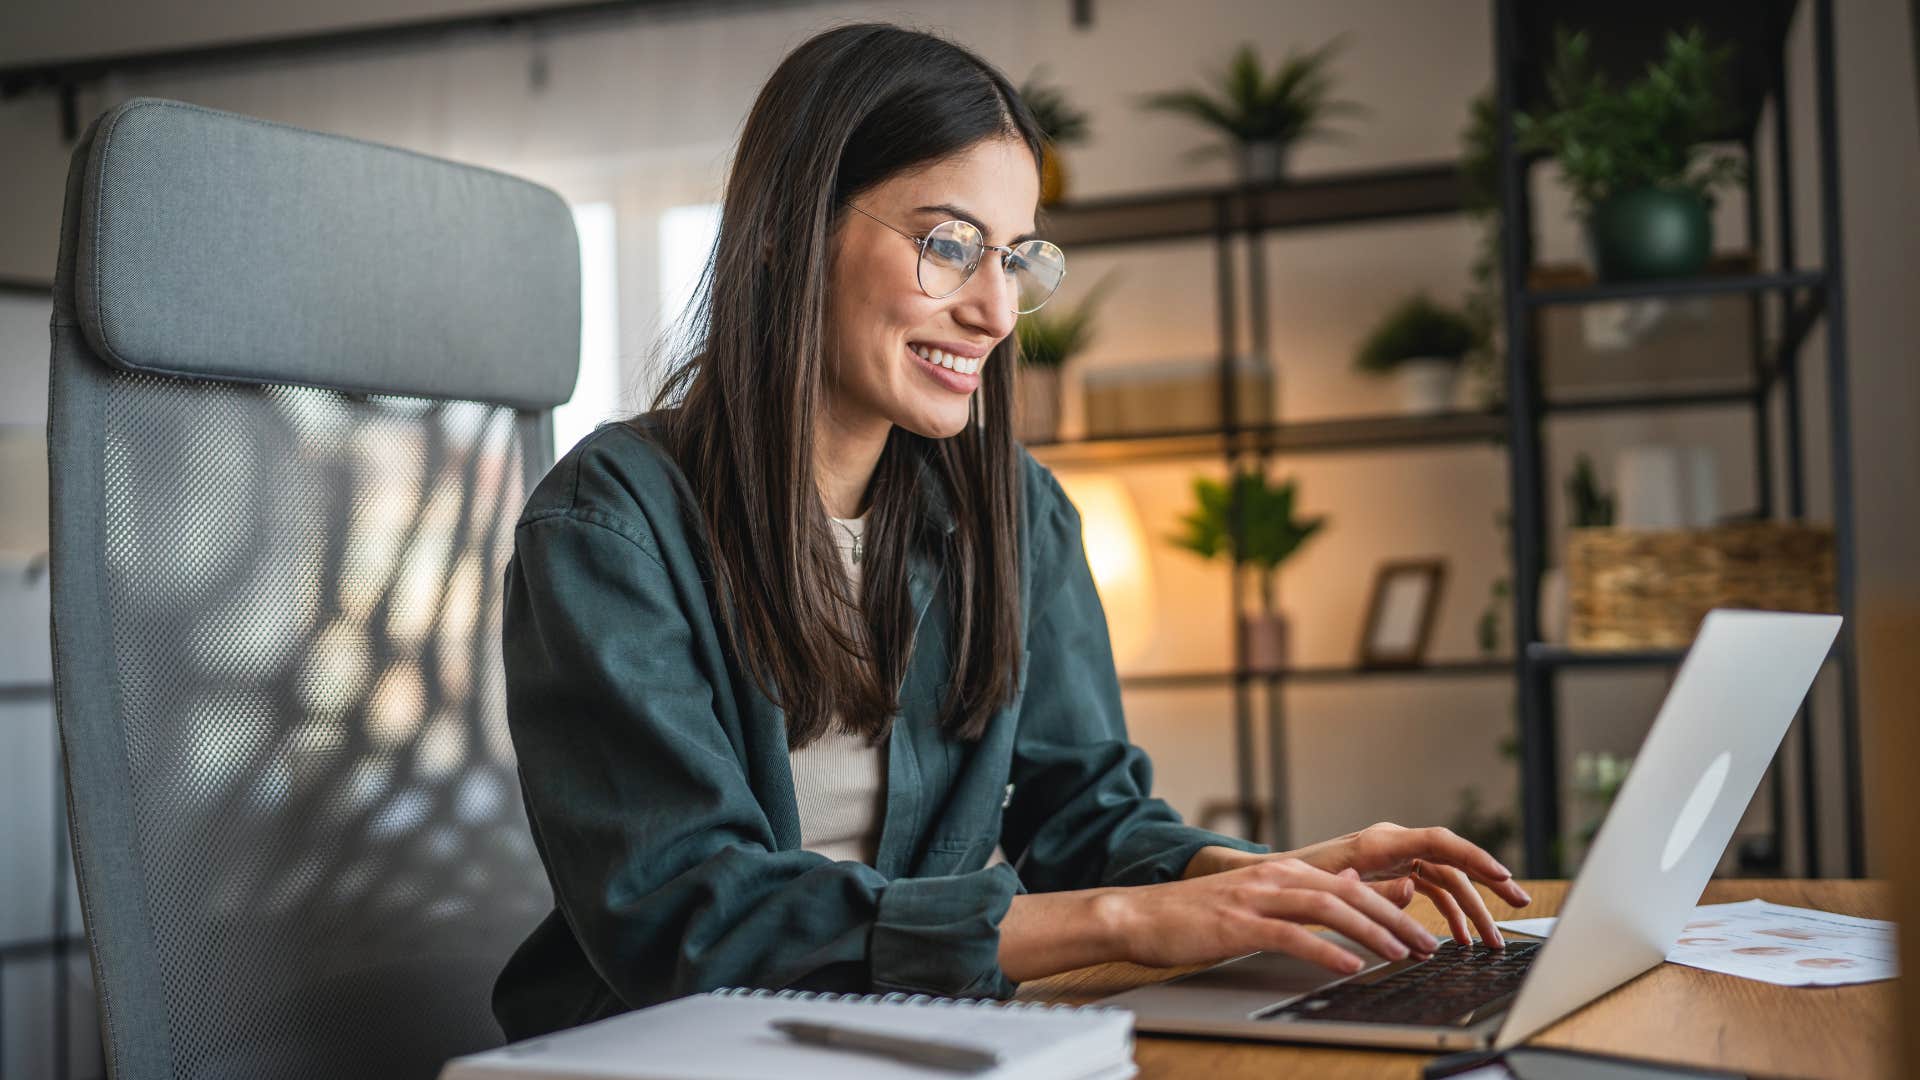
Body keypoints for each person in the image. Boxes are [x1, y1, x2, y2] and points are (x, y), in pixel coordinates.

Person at [491, 22, 1529, 1041]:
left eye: (1016, 256)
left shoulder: (1015, 511)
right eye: (948, 245)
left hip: (923, 1032)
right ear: (787, 231)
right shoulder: (610, 524)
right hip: (678, 1051)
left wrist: (1269, 877)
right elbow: (687, 919)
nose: (994, 308)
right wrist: (1125, 920)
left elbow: (1084, 819)